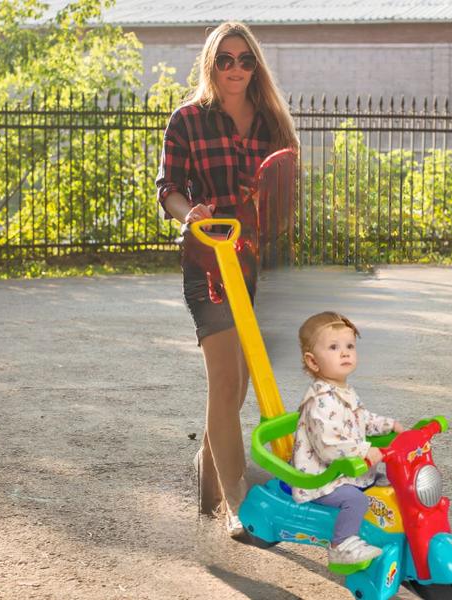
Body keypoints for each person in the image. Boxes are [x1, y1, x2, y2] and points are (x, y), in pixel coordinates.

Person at [155, 21, 298, 538]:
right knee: (225, 377)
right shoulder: (188, 119)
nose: (235, 68)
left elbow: (285, 192)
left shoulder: (271, 123)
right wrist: (189, 212)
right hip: (208, 261)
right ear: (210, 64)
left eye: (245, 59)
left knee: (237, 385)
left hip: (253, 262)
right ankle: (239, 502)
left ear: (255, 66)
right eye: (225, 59)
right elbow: (167, 186)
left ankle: (207, 461)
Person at [291, 311, 405, 566]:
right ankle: (340, 546)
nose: (345, 353)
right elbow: (330, 446)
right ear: (312, 361)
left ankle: (385, 532)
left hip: (346, 471)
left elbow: (362, 419)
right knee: (355, 500)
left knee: (389, 484)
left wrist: (390, 425)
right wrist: (365, 450)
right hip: (321, 477)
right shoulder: (319, 401)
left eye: (349, 346)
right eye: (334, 347)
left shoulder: (344, 390)